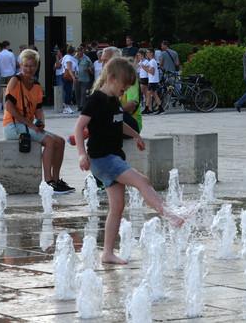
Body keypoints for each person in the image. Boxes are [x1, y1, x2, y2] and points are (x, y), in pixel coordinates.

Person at [74, 57, 183, 264]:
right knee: (142, 180)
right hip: (102, 159)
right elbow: (79, 127)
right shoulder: (96, 100)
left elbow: (119, 122)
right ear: (112, 78)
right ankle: (169, 214)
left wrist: (135, 135)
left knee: (117, 207)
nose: (124, 92)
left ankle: (107, 253)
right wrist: (81, 154)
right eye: (123, 88)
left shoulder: (114, 100)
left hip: (112, 157)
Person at [2, 49, 74, 194]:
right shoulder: (15, 80)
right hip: (13, 125)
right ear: (20, 65)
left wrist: (40, 122)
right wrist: (30, 124)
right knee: (50, 141)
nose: (29, 69)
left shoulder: (36, 86)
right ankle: (48, 183)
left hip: (28, 125)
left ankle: (56, 179)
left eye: (32, 65)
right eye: (26, 65)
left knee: (60, 141)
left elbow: (39, 109)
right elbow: (8, 106)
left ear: (36, 66)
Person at [143, 49, 163, 115]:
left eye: (148, 52)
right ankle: (157, 108)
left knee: (151, 94)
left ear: (151, 53)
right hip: (152, 81)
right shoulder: (151, 61)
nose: (147, 54)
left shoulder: (152, 61)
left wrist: (144, 68)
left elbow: (152, 72)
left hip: (153, 81)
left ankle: (148, 109)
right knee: (152, 94)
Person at [74, 46, 94, 111]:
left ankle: (82, 106)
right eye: (78, 51)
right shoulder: (74, 58)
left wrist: (88, 69)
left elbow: (92, 66)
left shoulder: (87, 58)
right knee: (77, 93)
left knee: (83, 93)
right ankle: (78, 106)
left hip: (85, 79)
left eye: (80, 51)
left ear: (83, 51)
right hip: (76, 78)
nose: (79, 52)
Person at [62, 45, 78, 114]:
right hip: (68, 77)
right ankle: (66, 107)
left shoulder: (67, 57)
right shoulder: (69, 58)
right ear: (73, 51)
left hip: (68, 76)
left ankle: (66, 107)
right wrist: (73, 77)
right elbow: (69, 68)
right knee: (68, 92)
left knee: (68, 92)